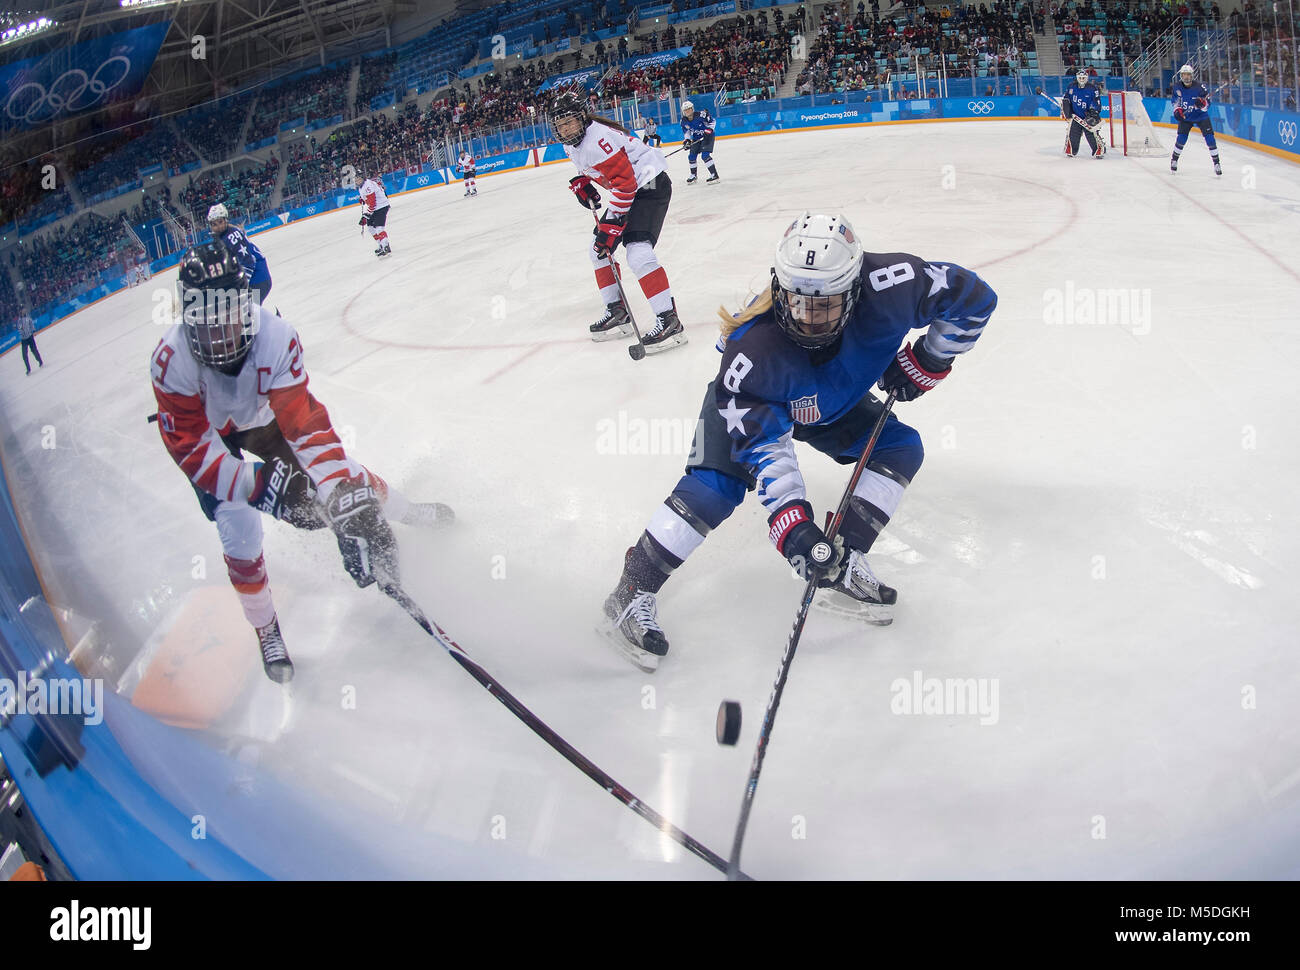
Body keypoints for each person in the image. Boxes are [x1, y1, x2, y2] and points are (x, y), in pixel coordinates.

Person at [599, 212, 997, 670]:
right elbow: (768, 454)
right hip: (759, 401)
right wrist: (794, 528)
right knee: (714, 488)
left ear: (853, 290)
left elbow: (975, 299)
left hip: (831, 398)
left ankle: (841, 559)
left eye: (824, 304)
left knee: (900, 448)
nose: (807, 317)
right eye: (796, 301)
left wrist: (927, 360)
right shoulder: (752, 353)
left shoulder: (896, 285)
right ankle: (632, 589)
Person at [149, 241, 452, 682]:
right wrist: (260, 488)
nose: (218, 333)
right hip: (213, 437)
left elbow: (303, 423)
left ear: (247, 306)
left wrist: (346, 499)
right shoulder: (170, 360)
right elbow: (192, 449)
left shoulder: (275, 336)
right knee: (239, 531)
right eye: (206, 321)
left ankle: (405, 511)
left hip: (262, 417)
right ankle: (265, 626)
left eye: (227, 317)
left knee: (344, 473)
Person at [552, 88, 687, 354]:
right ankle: (617, 312)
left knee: (637, 251)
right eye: (559, 124)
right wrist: (584, 181)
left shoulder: (598, 139)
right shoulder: (572, 144)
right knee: (598, 251)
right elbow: (604, 173)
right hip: (631, 189)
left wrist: (611, 226)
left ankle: (669, 321)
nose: (565, 129)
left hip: (650, 185)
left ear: (581, 117)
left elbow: (625, 185)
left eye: (569, 121)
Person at [207, 204, 274, 302]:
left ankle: (274, 317)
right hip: (257, 278)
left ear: (226, 220)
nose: (218, 226)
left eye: (220, 222)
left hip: (258, 278)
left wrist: (241, 287)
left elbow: (249, 262)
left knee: (248, 313)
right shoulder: (223, 236)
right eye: (214, 224)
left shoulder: (232, 235)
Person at [1170, 64, 1221, 175]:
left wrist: (1203, 104)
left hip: (1200, 116)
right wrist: (1177, 111)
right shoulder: (1177, 87)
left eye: (1188, 74)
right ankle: (1174, 160)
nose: (1186, 77)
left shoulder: (1200, 87)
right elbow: (1175, 102)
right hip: (1186, 117)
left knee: (1210, 139)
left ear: (1192, 75)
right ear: (1181, 76)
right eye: (1184, 74)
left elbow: (1208, 105)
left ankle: (1216, 163)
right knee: (1181, 139)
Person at [1061, 70, 1104, 158]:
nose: (1081, 79)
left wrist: (1094, 113)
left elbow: (1097, 102)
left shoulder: (1092, 88)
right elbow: (1066, 100)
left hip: (1088, 118)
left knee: (1092, 135)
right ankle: (1072, 150)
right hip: (1075, 117)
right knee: (1073, 134)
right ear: (1077, 78)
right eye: (1080, 78)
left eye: (1083, 78)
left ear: (1087, 78)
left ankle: (1098, 150)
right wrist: (1067, 113)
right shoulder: (1071, 87)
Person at [679, 100, 720, 183]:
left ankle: (714, 175)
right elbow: (687, 132)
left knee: (705, 156)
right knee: (691, 156)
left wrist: (710, 129)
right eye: (685, 110)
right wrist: (687, 140)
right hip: (696, 139)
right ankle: (693, 175)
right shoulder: (683, 121)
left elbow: (712, 121)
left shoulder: (701, 115)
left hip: (707, 137)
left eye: (689, 109)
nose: (687, 111)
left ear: (692, 109)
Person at [356, 172, 393, 257]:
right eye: (356, 180)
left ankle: (386, 246)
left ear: (363, 178)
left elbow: (372, 203)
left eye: (359, 179)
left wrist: (366, 216)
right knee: (370, 227)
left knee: (379, 228)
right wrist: (362, 199)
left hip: (381, 206)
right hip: (376, 207)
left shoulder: (367, 185)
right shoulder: (362, 186)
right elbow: (368, 199)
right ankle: (381, 244)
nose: (357, 181)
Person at [17, 307, 43, 375]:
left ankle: (40, 361)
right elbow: (19, 329)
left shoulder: (28, 317)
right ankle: (28, 369)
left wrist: (33, 330)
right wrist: (22, 333)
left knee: (34, 350)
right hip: (24, 339)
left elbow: (31, 324)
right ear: (20, 311)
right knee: (24, 355)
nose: (24, 310)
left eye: (24, 309)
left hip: (30, 337)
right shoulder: (19, 320)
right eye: (22, 309)